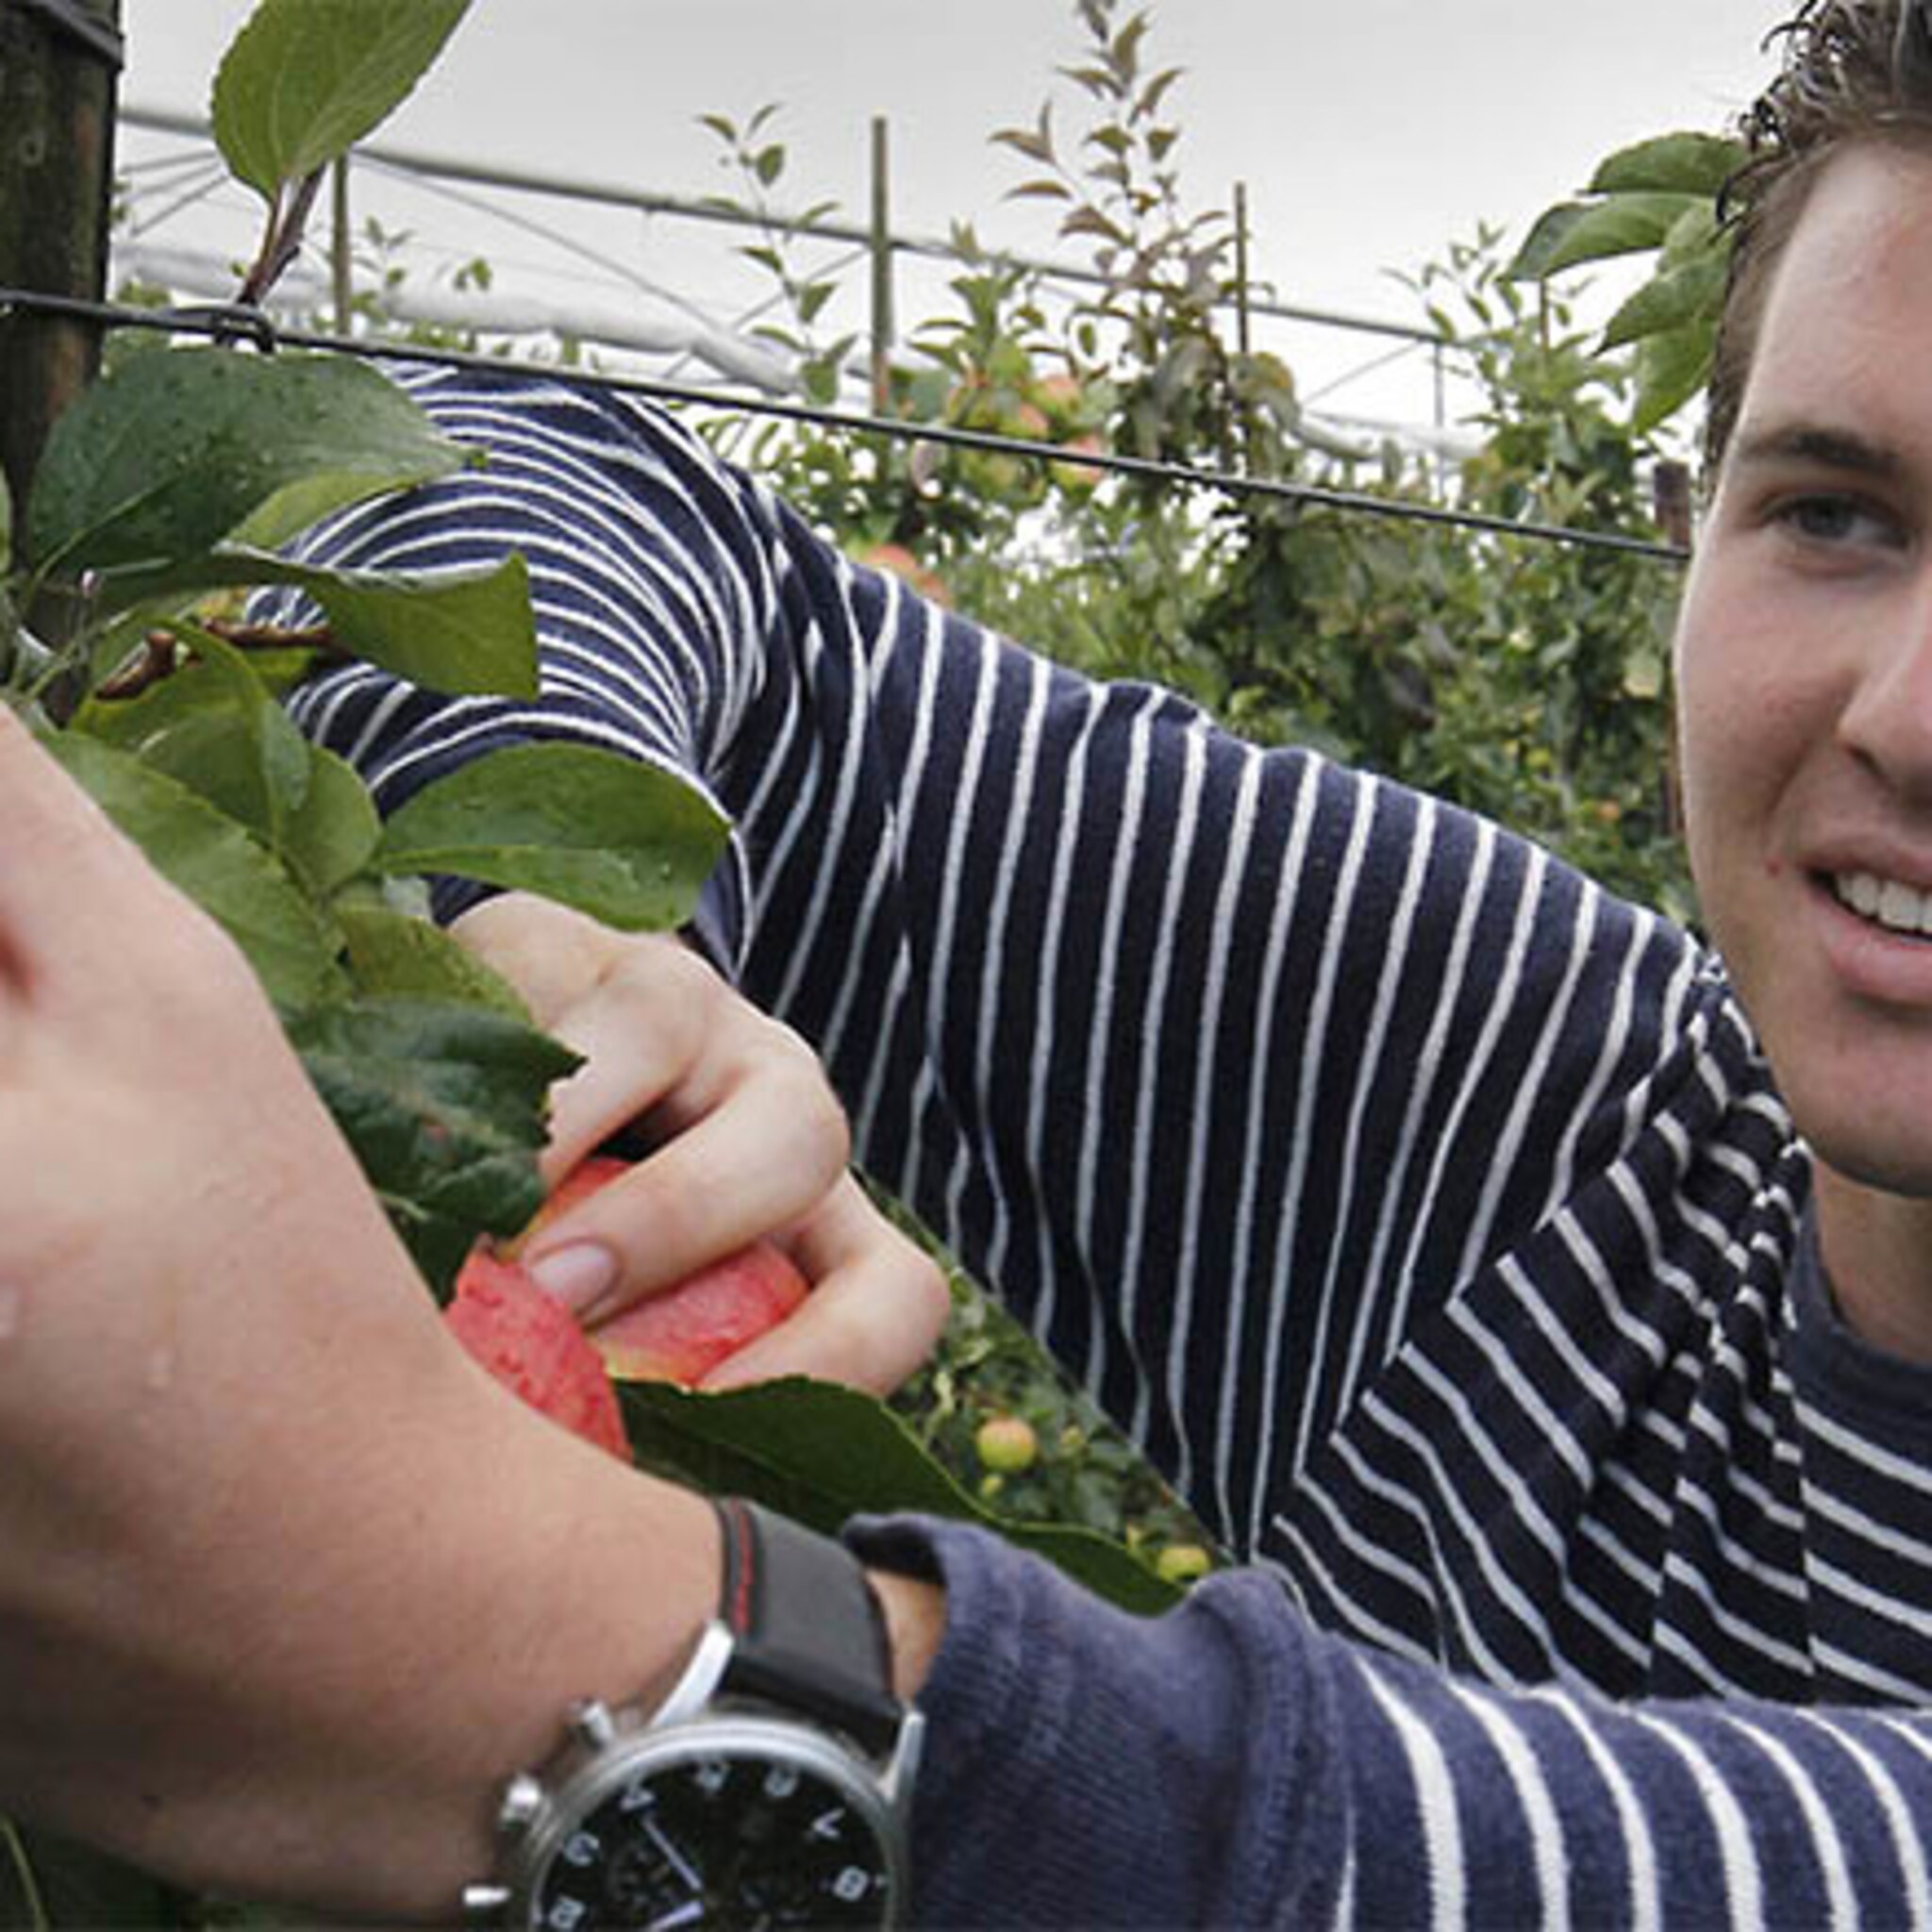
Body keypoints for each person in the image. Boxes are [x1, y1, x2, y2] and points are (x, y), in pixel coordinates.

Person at [15, 0, 1932, 1920]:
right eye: (1832, 515)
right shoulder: (1547, 1154)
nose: (1909, 717)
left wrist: (574, 1665)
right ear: (1684, 553)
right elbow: (521, 478)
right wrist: (571, 938)